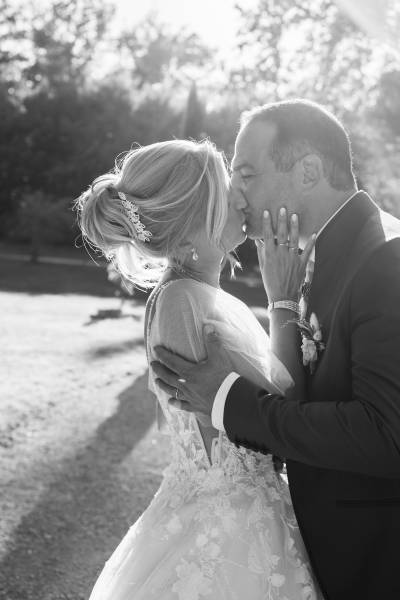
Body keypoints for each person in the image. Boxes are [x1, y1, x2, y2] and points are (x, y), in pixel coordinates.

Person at [152, 99, 400, 600]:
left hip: (376, 561)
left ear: (307, 171)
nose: (235, 192)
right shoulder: (313, 255)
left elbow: (385, 435)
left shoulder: (384, 258)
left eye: (246, 172)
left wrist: (229, 400)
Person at [76, 138, 322, 599]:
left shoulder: (204, 296)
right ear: (191, 228)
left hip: (246, 508)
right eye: (227, 190)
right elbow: (281, 413)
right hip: (230, 531)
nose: (242, 197)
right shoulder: (181, 302)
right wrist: (283, 297)